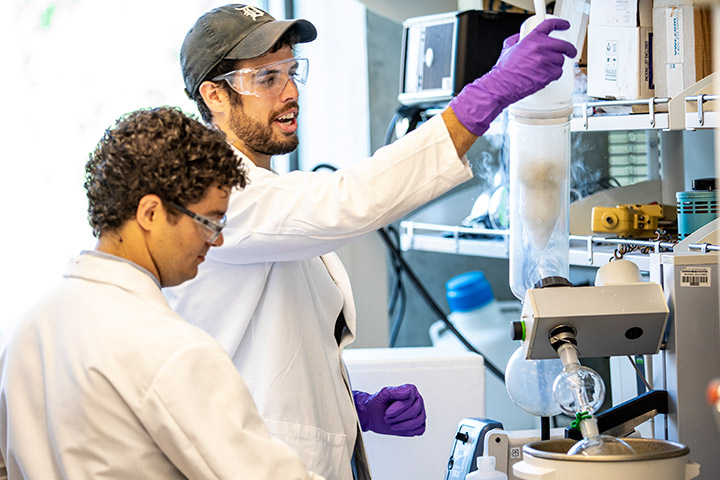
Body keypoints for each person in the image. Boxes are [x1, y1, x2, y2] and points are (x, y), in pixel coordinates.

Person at [167, 4, 577, 480]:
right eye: (267, 78)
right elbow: (351, 199)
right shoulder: (217, 195)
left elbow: (268, 353)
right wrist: (487, 94)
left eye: (292, 71)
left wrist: (350, 406)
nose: (291, 92)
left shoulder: (270, 195)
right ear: (215, 95)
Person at [0, 106, 324, 479]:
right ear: (150, 213)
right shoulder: (171, 349)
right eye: (209, 222)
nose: (217, 241)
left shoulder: (23, 330)